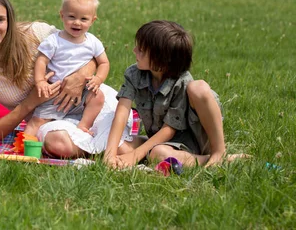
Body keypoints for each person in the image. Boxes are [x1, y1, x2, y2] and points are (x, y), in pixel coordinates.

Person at [0, 0, 99, 147]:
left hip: (87, 103)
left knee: (117, 130)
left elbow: (93, 52)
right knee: (60, 144)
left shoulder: (34, 33)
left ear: (9, 20)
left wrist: (79, 77)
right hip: (48, 122)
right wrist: (29, 102)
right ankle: (98, 144)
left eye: (0, 19)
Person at [104, 20, 246, 168]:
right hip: (161, 141)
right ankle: (175, 156)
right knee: (120, 146)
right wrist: (110, 153)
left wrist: (135, 155)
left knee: (158, 154)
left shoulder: (182, 82)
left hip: (191, 141)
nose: (134, 51)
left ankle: (218, 156)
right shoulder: (134, 74)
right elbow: (122, 111)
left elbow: (169, 130)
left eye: (141, 50)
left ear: (161, 59)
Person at [25, 0, 110, 137]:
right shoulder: (54, 41)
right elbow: (41, 61)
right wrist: (40, 82)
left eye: (83, 19)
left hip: (82, 92)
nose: (77, 22)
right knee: (37, 121)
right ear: (62, 15)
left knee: (98, 97)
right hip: (55, 92)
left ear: (92, 20)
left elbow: (104, 62)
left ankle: (83, 126)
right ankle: (25, 145)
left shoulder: (92, 42)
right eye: (72, 17)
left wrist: (98, 78)